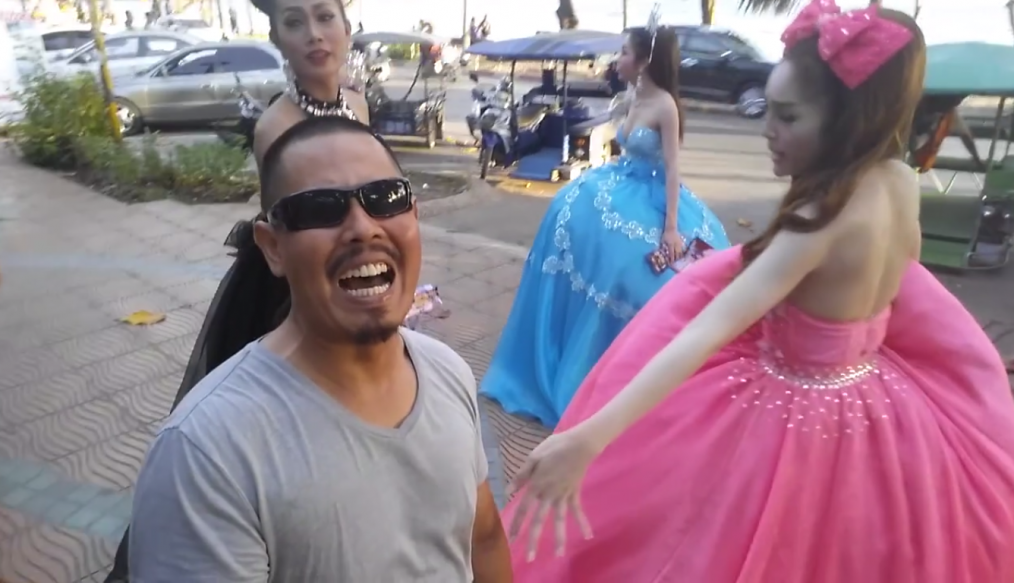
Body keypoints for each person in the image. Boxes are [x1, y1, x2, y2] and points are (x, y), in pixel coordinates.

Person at [503, 2, 1014, 581]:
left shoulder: (820, 220)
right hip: (879, 402)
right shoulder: (900, 180)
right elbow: (908, 286)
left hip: (793, 412)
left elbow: (704, 331)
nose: (768, 129)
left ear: (850, 120)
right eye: (768, 109)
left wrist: (590, 438)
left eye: (789, 117)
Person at [124, 117, 512, 582]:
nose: (363, 228)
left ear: (414, 214)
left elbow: (483, 539)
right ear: (272, 247)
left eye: (385, 197)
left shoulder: (447, 370)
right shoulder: (207, 451)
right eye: (319, 209)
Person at [479, 22, 730, 428]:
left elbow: (672, 169)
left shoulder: (665, 105)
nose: (618, 59)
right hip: (619, 181)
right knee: (564, 215)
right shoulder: (631, 96)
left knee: (633, 275)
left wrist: (670, 227)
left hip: (655, 196)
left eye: (625, 52)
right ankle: (560, 352)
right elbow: (620, 146)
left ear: (644, 61)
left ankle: (626, 378)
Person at [251, 0, 370, 167]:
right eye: (294, 22)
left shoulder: (358, 104)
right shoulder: (274, 129)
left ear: (347, 30)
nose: (314, 35)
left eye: (325, 17)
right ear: (276, 39)